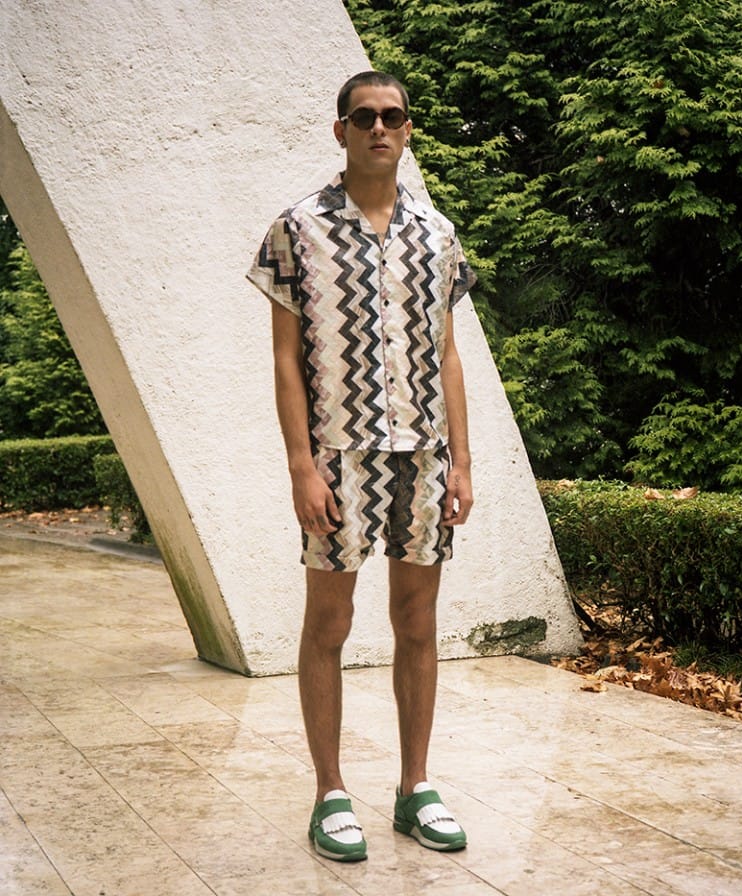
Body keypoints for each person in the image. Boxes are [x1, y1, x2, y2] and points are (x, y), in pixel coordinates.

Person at [248, 70, 475, 862]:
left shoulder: (437, 233)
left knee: (417, 621)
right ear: (340, 129)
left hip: (424, 456)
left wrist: (463, 462)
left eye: (393, 116)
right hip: (338, 457)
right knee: (329, 623)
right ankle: (331, 793)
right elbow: (285, 360)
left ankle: (416, 788)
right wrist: (300, 466)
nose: (380, 127)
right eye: (364, 116)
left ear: (408, 130)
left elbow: (448, 355)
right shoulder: (297, 229)